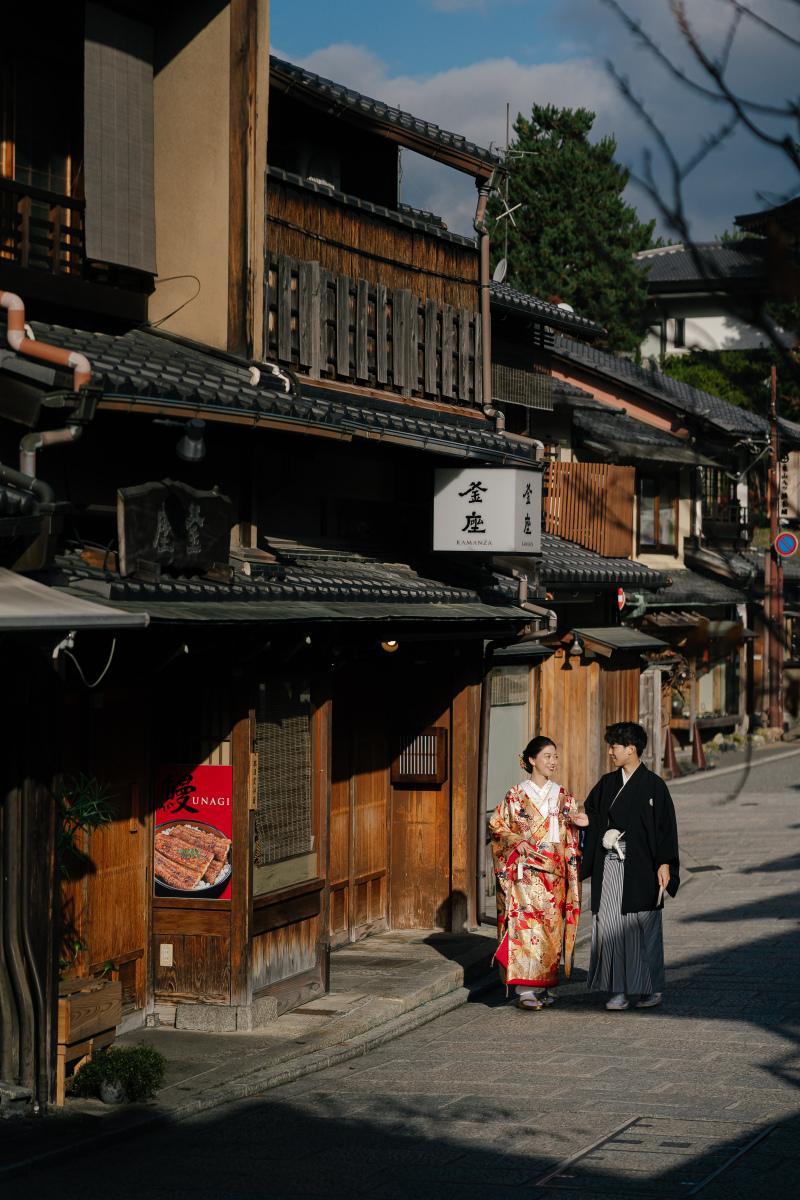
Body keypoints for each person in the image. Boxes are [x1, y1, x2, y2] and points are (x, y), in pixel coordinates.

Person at [580, 721, 680, 1011]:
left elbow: (666, 828)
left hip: (643, 866)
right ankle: (618, 990)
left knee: (641, 925)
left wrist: (665, 863)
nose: (611, 752)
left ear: (631, 749)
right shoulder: (607, 783)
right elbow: (594, 814)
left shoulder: (654, 786)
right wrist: (586, 822)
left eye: (615, 747)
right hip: (610, 862)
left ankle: (648, 988)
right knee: (610, 925)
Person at [490, 736, 583, 1010]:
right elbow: (497, 824)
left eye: (555, 757)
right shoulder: (515, 794)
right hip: (525, 875)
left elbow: (571, 835)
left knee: (550, 932)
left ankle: (542, 988)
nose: (553, 762)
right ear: (531, 760)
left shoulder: (564, 796)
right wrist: (515, 840)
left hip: (555, 876)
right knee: (525, 929)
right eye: (547, 756)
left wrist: (577, 827)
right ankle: (525, 991)